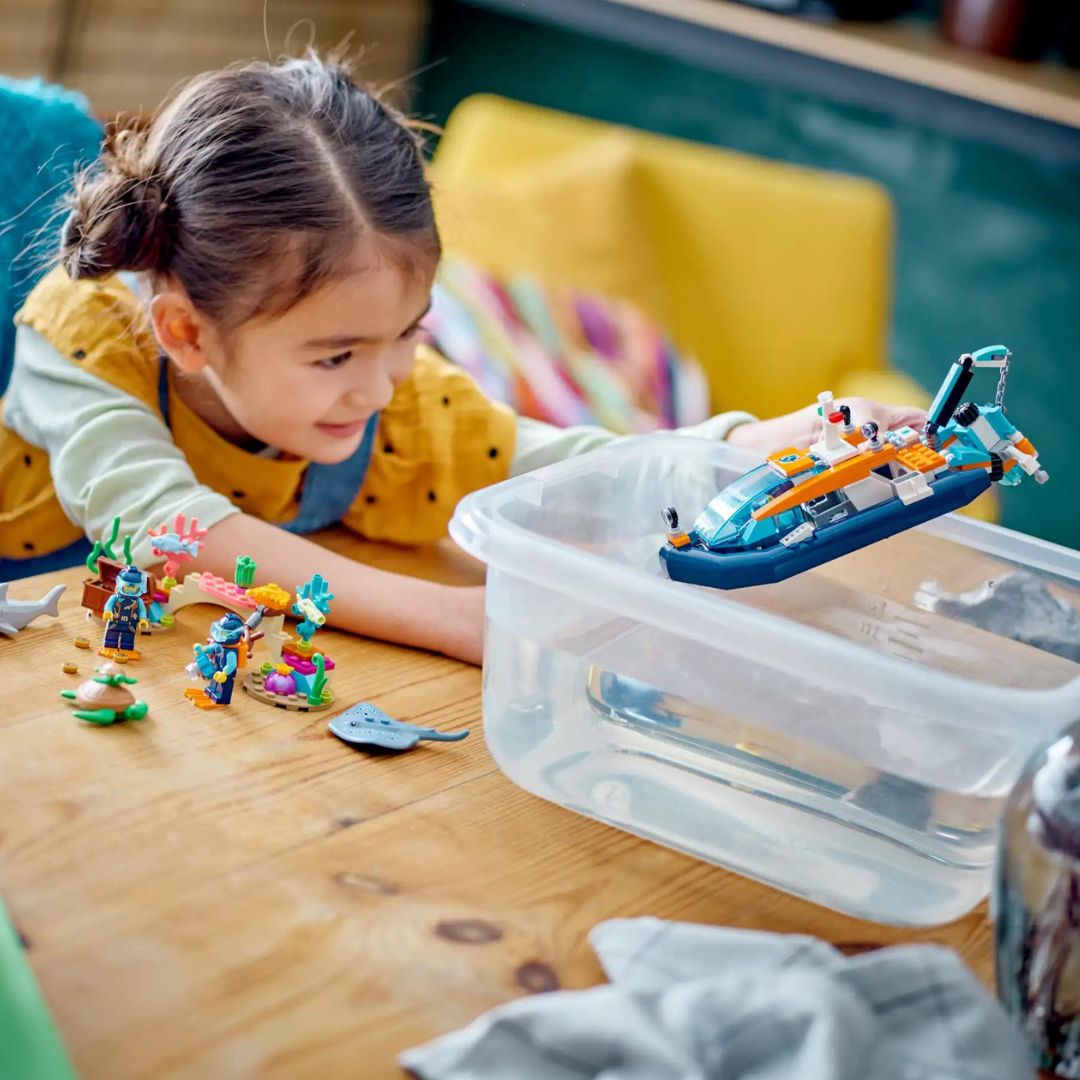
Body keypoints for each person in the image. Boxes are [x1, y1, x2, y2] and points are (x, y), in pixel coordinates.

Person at [0, 55, 923, 664]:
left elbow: (560, 464)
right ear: (188, 334)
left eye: (409, 333)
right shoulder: (82, 340)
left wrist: (751, 447)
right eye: (334, 357)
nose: (381, 382)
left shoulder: (387, 401)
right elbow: (167, 533)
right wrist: (457, 621)